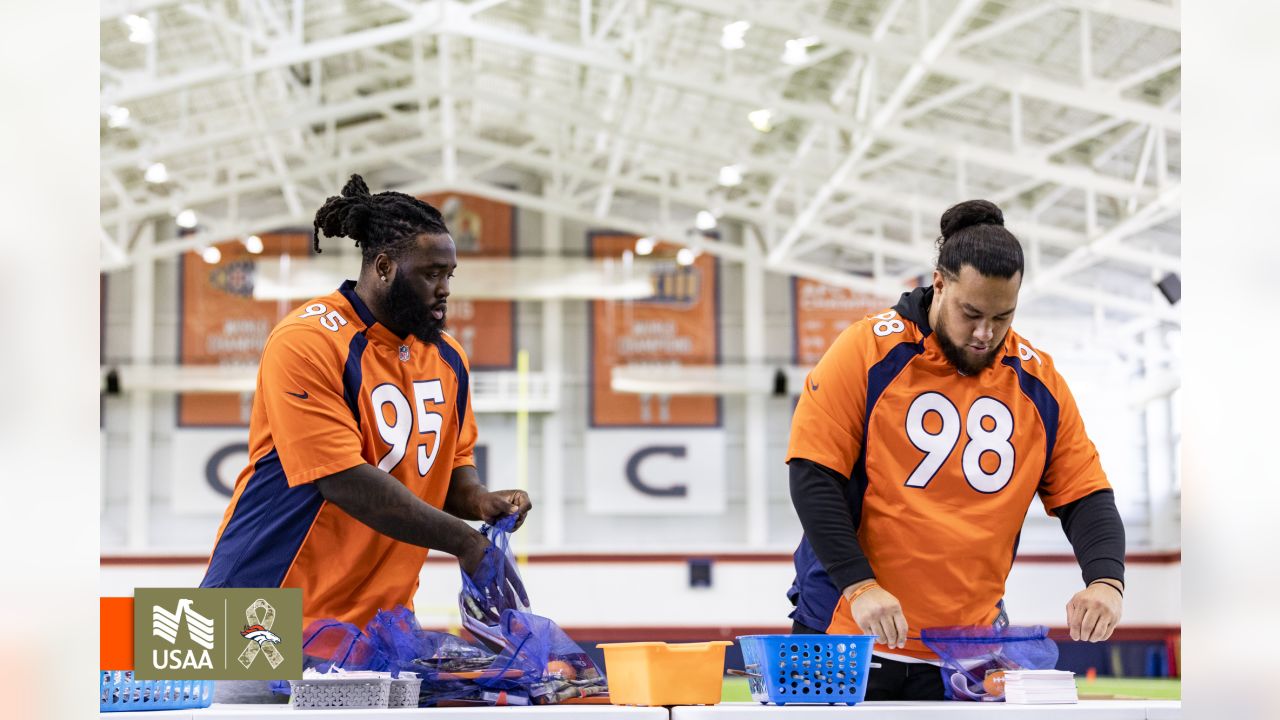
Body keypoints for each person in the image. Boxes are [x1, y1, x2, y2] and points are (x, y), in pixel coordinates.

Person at [786, 199, 1125, 701]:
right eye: (971, 314)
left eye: (1002, 317)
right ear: (939, 284)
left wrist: (1106, 581)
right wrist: (859, 585)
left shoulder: (1039, 383)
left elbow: (1085, 494)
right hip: (843, 636)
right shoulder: (866, 351)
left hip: (965, 652)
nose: (985, 334)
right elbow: (814, 476)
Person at [200, 174, 532, 635]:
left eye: (448, 275)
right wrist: (464, 542)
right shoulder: (306, 341)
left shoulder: (448, 359)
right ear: (383, 267)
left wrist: (478, 500)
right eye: (431, 274)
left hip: (378, 627)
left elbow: (449, 466)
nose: (445, 289)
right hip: (257, 615)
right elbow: (345, 481)